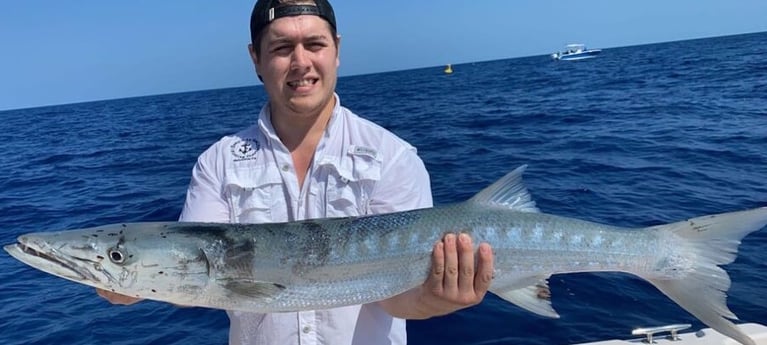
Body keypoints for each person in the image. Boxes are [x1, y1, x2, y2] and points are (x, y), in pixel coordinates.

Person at [98, 0, 495, 344]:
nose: (301, 62)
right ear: (256, 58)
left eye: (315, 44)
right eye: (282, 47)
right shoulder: (217, 163)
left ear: (336, 50)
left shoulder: (392, 157)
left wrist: (437, 299)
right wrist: (131, 282)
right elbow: (196, 276)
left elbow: (396, 298)